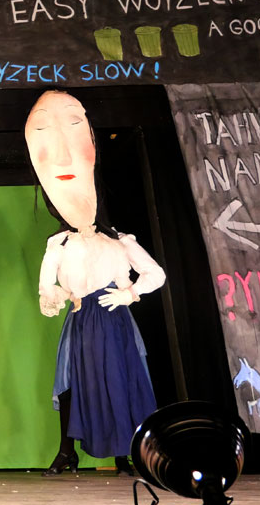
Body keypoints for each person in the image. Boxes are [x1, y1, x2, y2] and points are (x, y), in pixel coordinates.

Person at [24, 90, 163, 475]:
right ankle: (67, 451)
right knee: (72, 384)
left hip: (113, 318)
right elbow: (46, 282)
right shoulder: (59, 242)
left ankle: (126, 453)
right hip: (82, 317)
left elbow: (157, 274)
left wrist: (130, 292)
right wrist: (54, 294)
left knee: (119, 382)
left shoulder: (119, 240)